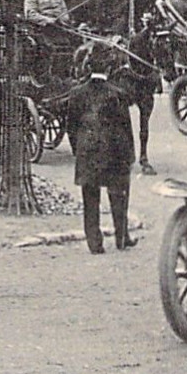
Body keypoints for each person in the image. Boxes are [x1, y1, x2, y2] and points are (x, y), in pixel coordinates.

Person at [57, 67, 137, 254]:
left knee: (90, 197)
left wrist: (78, 149)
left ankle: (94, 243)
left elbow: (71, 126)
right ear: (108, 70)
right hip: (114, 152)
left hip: (88, 151)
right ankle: (122, 238)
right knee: (118, 194)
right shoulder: (117, 94)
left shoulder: (76, 93)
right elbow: (126, 127)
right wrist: (130, 154)